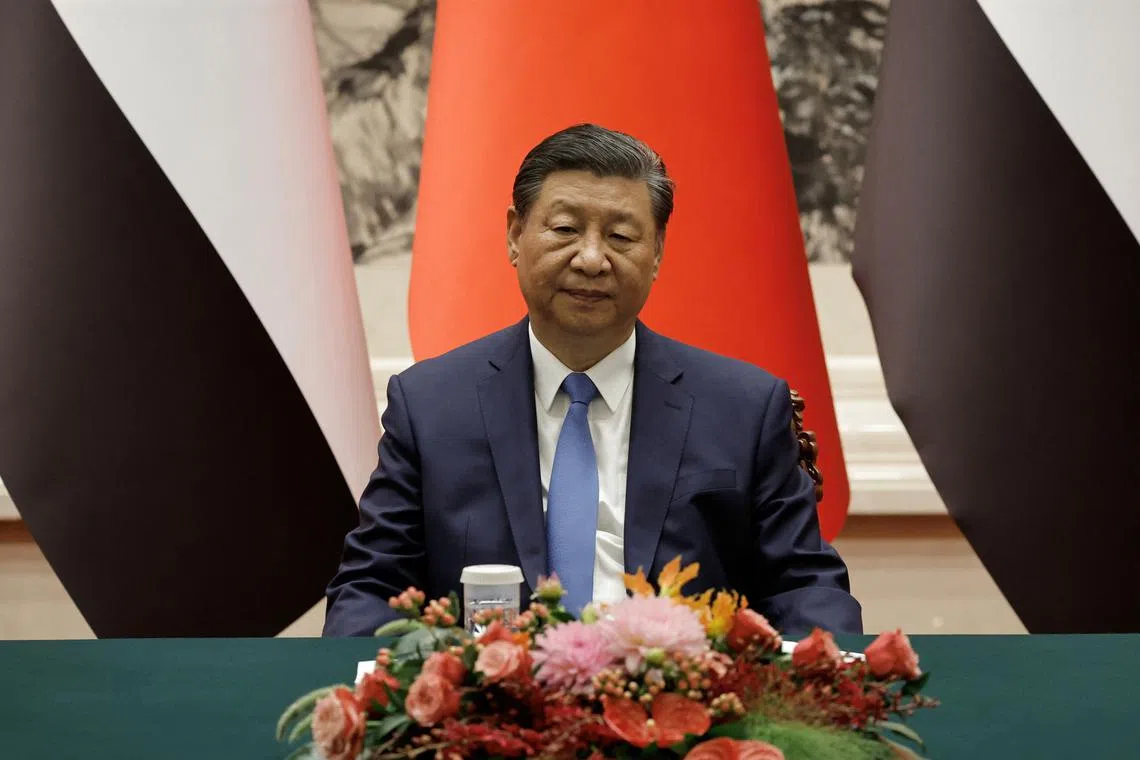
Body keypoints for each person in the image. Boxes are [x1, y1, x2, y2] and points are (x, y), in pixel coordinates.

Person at [323, 123, 862, 637]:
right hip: (491, 711)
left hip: (683, 709)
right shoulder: (431, 404)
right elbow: (370, 585)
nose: (590, 258)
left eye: (622, 236)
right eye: (564, 230)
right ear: (515, 234)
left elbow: (805, 585)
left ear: (657, 255)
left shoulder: (743, 408)